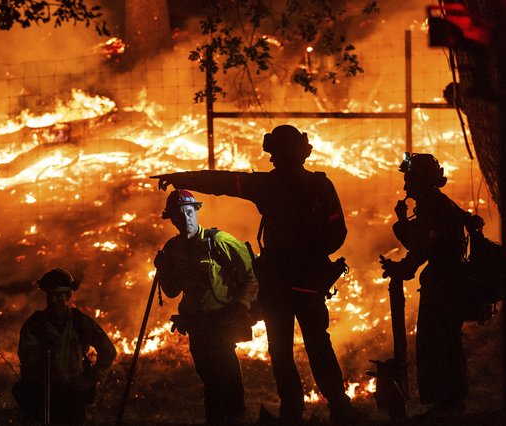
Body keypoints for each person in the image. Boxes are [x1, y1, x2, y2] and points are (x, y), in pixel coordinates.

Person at [152, 124, 355, 425]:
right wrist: (310, 256)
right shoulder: (321, 186)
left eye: (274, 155)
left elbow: (222, 182)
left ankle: (292, 411)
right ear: (302, 153)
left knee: (281, 350)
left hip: (278, 285)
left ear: (277, 155)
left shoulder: (268, 186)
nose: (273, 161)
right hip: (308, 282)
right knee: (318, 344)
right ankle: (339, 405)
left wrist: (180, 178)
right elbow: (338, 233)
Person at [155, 189, 258, 425]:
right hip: (197, 325)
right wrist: (162, 270)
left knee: (228, 378)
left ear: (196, 212)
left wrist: (242, 305)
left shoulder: (219, 241)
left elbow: (252, 274)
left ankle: (235, 418)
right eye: (179, 215)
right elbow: (171, 291)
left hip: (222, 321)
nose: (186, 219)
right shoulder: (173, 249)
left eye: (189, 212)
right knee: (210, 380)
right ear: (172, 219)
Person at [380, 153, 469, 418]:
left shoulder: (434, 206)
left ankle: (446, 405)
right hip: (446, 280)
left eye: (409, 181)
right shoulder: (438, 204)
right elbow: (418, 242)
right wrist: (404, 220)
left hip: (444, 283)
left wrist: (404, 269)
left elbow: (421, 248)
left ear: (421, 181)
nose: (406, 187)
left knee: (437, 343)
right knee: (446, 341)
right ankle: (449, 403)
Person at [13, 268, 117, 425]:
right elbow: (26, 358)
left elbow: (108, 351)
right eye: (50, 295)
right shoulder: (34, 325)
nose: (53, 300)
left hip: (72, 396)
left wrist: (90, 378)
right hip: (41, 397)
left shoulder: (80, 322)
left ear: (68, 296)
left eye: (58, 295)